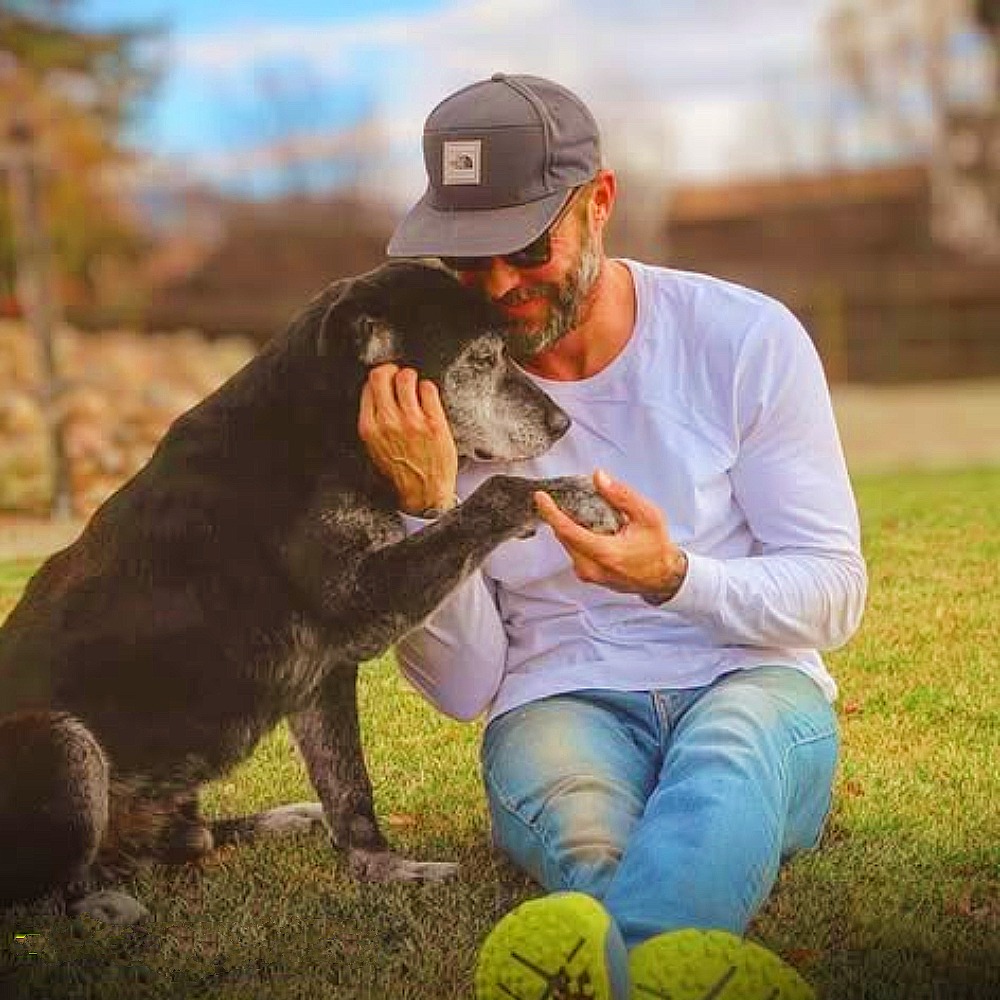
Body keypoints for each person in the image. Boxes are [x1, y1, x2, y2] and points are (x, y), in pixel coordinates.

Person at [359, 72, 867, 1000]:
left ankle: (617, 969)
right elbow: (466, 687)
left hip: (749, 678)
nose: (499, 285)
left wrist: (677, 577)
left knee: (729, 758)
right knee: (586, 823)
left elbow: (835, 595)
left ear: (598, 204)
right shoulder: (433, 403)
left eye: (523, 247)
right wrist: (427, 514)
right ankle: (669, 973)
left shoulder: (743, 339)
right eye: (468, 260)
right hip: (559, 700)